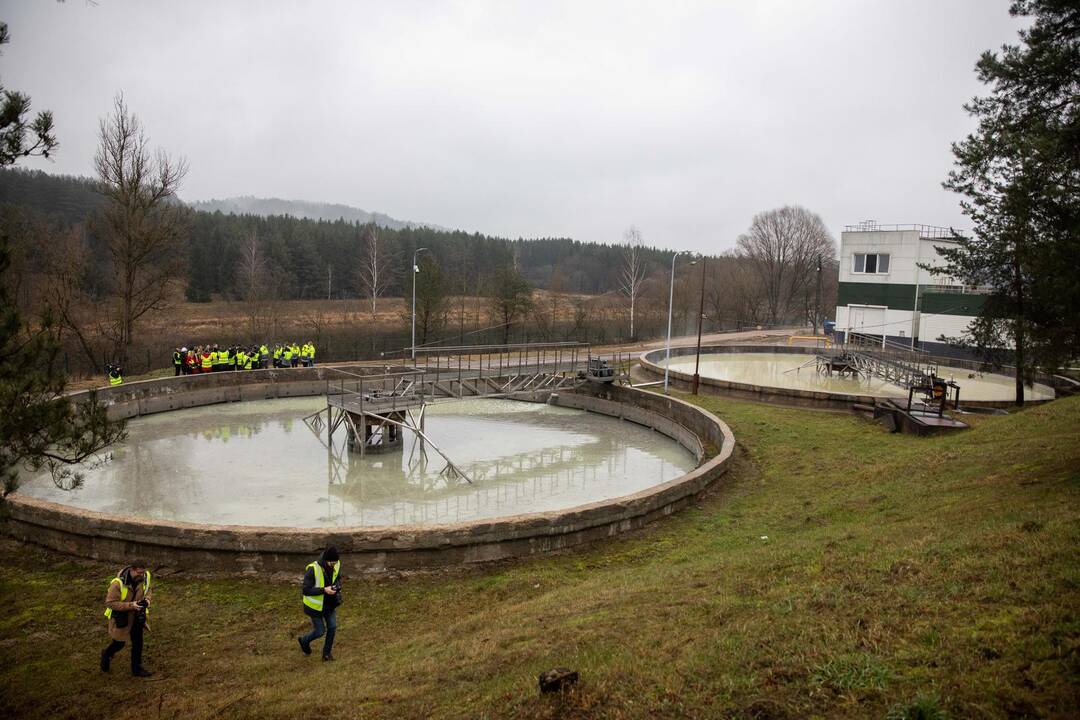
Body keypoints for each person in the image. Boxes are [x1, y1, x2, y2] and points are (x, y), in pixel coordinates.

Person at [100, 560, 154, 678]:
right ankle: (107, 654)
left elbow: (148, 589)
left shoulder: (145, 576)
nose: (141, 576)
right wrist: (130, 605)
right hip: (121, 617)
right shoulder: (117, 584)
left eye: (143, 573)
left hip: (138, 616)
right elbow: (110, 603)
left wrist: (148, 599)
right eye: (139, 573)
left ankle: (136, 668)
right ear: (132, 570)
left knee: (138, 642)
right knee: (119, 643)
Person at [298, 546, 341, 661]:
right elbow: (305, 590)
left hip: (329, 604)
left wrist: (337, 586)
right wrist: (324, 590)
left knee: (332, 627)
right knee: (320, 631)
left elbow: (337, 578)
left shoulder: (336, 564)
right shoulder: (313, 569)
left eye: (335, 562)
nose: (334, 565)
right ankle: (304, 640)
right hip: (315, 607)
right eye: (332, 563)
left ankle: (326, 654)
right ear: (326, 560)